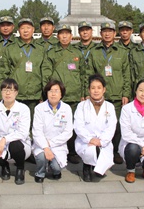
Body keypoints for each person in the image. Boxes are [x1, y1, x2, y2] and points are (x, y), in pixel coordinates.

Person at [41, 23, 85, 164]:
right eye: (61, 34)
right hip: (56, 97)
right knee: (55, 125)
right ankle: (53, 148)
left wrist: (84, 93)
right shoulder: (51, 52)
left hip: (74, 95)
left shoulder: (77, 53)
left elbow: (84, 74)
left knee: (71, 125)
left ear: (71, 36)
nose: (64, 36)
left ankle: (72, 152)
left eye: (67, 34)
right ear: (57, 36)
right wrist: (46, 94)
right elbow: (46, 75)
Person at [90, 22, 131, 164]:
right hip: (99, 97)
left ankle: (115, 152)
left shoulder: (122, 51)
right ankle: (100, 150)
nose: (107, 34)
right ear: (100, 33)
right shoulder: (94, 51)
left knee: (117, 125)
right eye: (104, 31)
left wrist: (126, 93)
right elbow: (89, 74)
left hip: (117, 95)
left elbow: (127, 74)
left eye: (110, 31)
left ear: (115, 34)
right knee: (98, 125)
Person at [0, 79, 32, 185]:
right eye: (5, 90)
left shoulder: (23, 109)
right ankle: (4, 166)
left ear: (16, 92)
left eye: (11, 90)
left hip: (20, 143)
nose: (8, 93)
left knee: (15, 145)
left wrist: (5, 139)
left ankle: (20, 168)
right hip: (1, 143)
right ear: (0, 92)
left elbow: (23, 132)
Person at [74, 74, 117, 182]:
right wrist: (90, 139)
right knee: (90, 151)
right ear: (89, 90)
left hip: (103, 140)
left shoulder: (109, 107)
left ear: (104, 90)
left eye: (99, 88)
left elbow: (111, 127)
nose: (96, 91)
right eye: (93, 88)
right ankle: (86, 167)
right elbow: (78, 126)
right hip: (86, 141)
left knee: (102, 151)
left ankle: (98, 167)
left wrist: (101, 140)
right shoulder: (82, 106)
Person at [0, 18, 45, 113]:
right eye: (22, 28)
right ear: (18, 30)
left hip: (35, 95)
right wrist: (4, 93)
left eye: (28, 27)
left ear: (33, 30)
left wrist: (43, 94)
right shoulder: (10, 48)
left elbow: (45, 72)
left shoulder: (40, 49)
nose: (25, 31)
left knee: (33, 125)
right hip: (15, 94)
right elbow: (4, 72)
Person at [32, 80, 73, 182]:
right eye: (50, 91)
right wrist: (46, 147)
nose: (53, 94)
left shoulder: (66, 108)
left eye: (56, 91)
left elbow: (68, 132)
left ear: (61, 94)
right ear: (46, 93)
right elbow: (37, 131)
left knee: (57, 168)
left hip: (58, 145)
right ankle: (40, 173)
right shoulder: (39, 108)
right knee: (42, 157)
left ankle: (54, 168)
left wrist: (51, 143)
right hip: (42, 144)